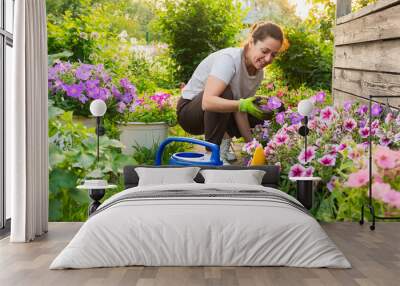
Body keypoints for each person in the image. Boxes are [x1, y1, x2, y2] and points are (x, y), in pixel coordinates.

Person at [176, 21, 285, 162]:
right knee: (225, 92)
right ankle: (213, 154)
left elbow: (240, 109)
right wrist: (242, 105)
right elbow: (208, 102)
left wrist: (252, 147)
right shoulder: (229, 59)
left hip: (213, 114)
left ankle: (223, 147)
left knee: (270, 106)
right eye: (264, 51)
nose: (268, 59)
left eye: (273, 55)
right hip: (190, 114)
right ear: (251, 42)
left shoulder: (258, 73)